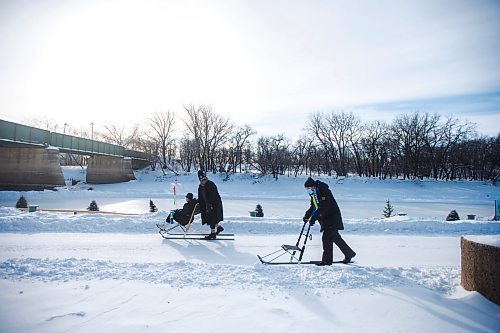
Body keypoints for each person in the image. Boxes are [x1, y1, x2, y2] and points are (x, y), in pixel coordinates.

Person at [303, 176, 356, 265]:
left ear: (313, 186)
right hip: (326, 220)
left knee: (327, 238)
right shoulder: (314, 194)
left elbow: (324, 207)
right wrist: (307, 216)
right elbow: (314, 206)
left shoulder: (324, 191)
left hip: (332, 219)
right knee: (335, 238)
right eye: (307, 189)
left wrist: (315, 218)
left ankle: (327, 261)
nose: (308, 190)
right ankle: (349, 253)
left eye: (309, 188)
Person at [197, 170, 224, 239]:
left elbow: (213, 195)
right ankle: (218, 228)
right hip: (207, 205)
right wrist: (196, 202)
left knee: (212, 218)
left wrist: (210, 204)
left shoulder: (210, 184)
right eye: (201, 179)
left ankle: (213, 233)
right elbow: (200, 197)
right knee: (211, 218)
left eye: (204, 179)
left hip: (214, 204)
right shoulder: (200, 187)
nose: (202, 181)